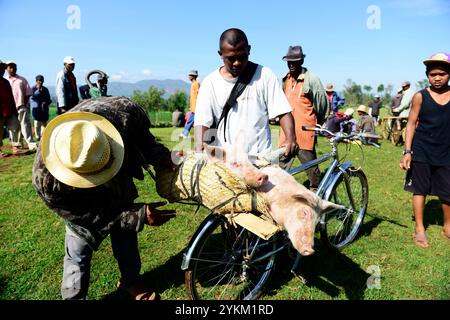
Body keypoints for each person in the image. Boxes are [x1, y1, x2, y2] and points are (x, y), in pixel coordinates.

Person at [32, 96, 177, 300]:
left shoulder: (125, 113)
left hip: (120, 183)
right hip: (81, 201)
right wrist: (137, 216)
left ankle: (131, 281)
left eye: (105, 163)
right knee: (78, 247)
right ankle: (73, 297)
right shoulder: (47, 182)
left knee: (126, 236)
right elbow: (83, 215)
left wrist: (162, 157)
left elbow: (144, 139)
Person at [194, 28, 298, 159]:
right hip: (226, 163)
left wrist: (290, 138)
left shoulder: (265, 75)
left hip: (260, 161)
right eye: (231, 59)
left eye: (242, 57)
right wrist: (199, 151)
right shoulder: (210, 83)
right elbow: (201, 122)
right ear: (220, 54)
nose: (237, 63)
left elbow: (283, 111)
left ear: (249, 49)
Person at [400, 52, 450, 247]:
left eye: (442, 74)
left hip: (446, 151)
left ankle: (448, 225)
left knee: (447, 192)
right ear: (427, 75)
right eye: (433, 74)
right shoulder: (420, 96)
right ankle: (420, 229)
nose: (437, 78)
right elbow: (411, 124)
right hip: (422, 150)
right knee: (419, 190)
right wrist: (407, 152)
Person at [279, 45, 329, 190]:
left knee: (311, 168)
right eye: (289, 62)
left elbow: (322, 106)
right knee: (280, 168)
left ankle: (317, 194)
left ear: (301, 61)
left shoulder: (311, 79)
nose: (291, 65)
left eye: (294, 62)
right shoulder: (285, 79)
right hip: (286, 133)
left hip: (305, 132)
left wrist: (314, 123)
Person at [6, 60, 37, 152]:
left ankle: (31, 144)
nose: (12, 69)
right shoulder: (5, 80)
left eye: (14, 67)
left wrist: (23, 103)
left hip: (21, 106)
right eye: (10, 67)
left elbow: (28, 93)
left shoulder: (22, 80)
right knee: (14, 127)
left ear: (16, 68)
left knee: (25, 125)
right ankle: (18, 145)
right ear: (7, 69)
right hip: (10, 108)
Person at [0, 59, 21, 157]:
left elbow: (11, 97)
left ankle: (15, 147)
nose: (2, 70)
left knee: (16, 126)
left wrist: (14, 110)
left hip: (9, 111)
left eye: (2, 68)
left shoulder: (6, 82)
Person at [30, 75, 52, 141]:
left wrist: (46, 102)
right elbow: (32, 98)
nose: (40, 82)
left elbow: (48, 99)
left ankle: (43, 136)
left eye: (41, 80)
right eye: (38, 80)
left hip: (44, 109)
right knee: (36, 124)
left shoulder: (45, 89)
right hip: (36, 109)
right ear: (36, 81)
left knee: (44, 123)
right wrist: (38, 90)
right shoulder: (33, 89)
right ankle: (37, 136)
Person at [180, 70, 200, 138]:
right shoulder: (193, 84)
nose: (188, 77)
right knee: (191, 120)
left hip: (196, 107)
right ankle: (184, 133)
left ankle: (185, 133)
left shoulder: (196, 84)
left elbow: (198, 95)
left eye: (189, 75)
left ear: (193, 76)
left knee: (191, 120)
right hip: (193, 107)